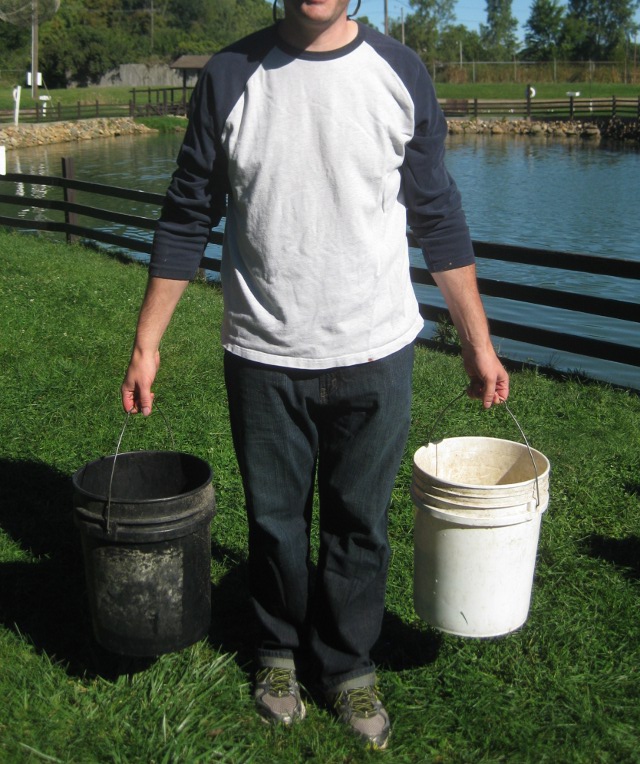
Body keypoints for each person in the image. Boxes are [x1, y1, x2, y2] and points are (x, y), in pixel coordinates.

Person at [121, 0, 509, 750]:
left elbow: (438, 215)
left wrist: (475, 341)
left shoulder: (401, 73)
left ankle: (348, 665)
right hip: (264, 352)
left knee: (360, 524)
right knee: (273, 523)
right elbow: (185, 216)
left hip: (378, 349)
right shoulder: (230, 76)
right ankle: (275, 652)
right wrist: (147, 343)